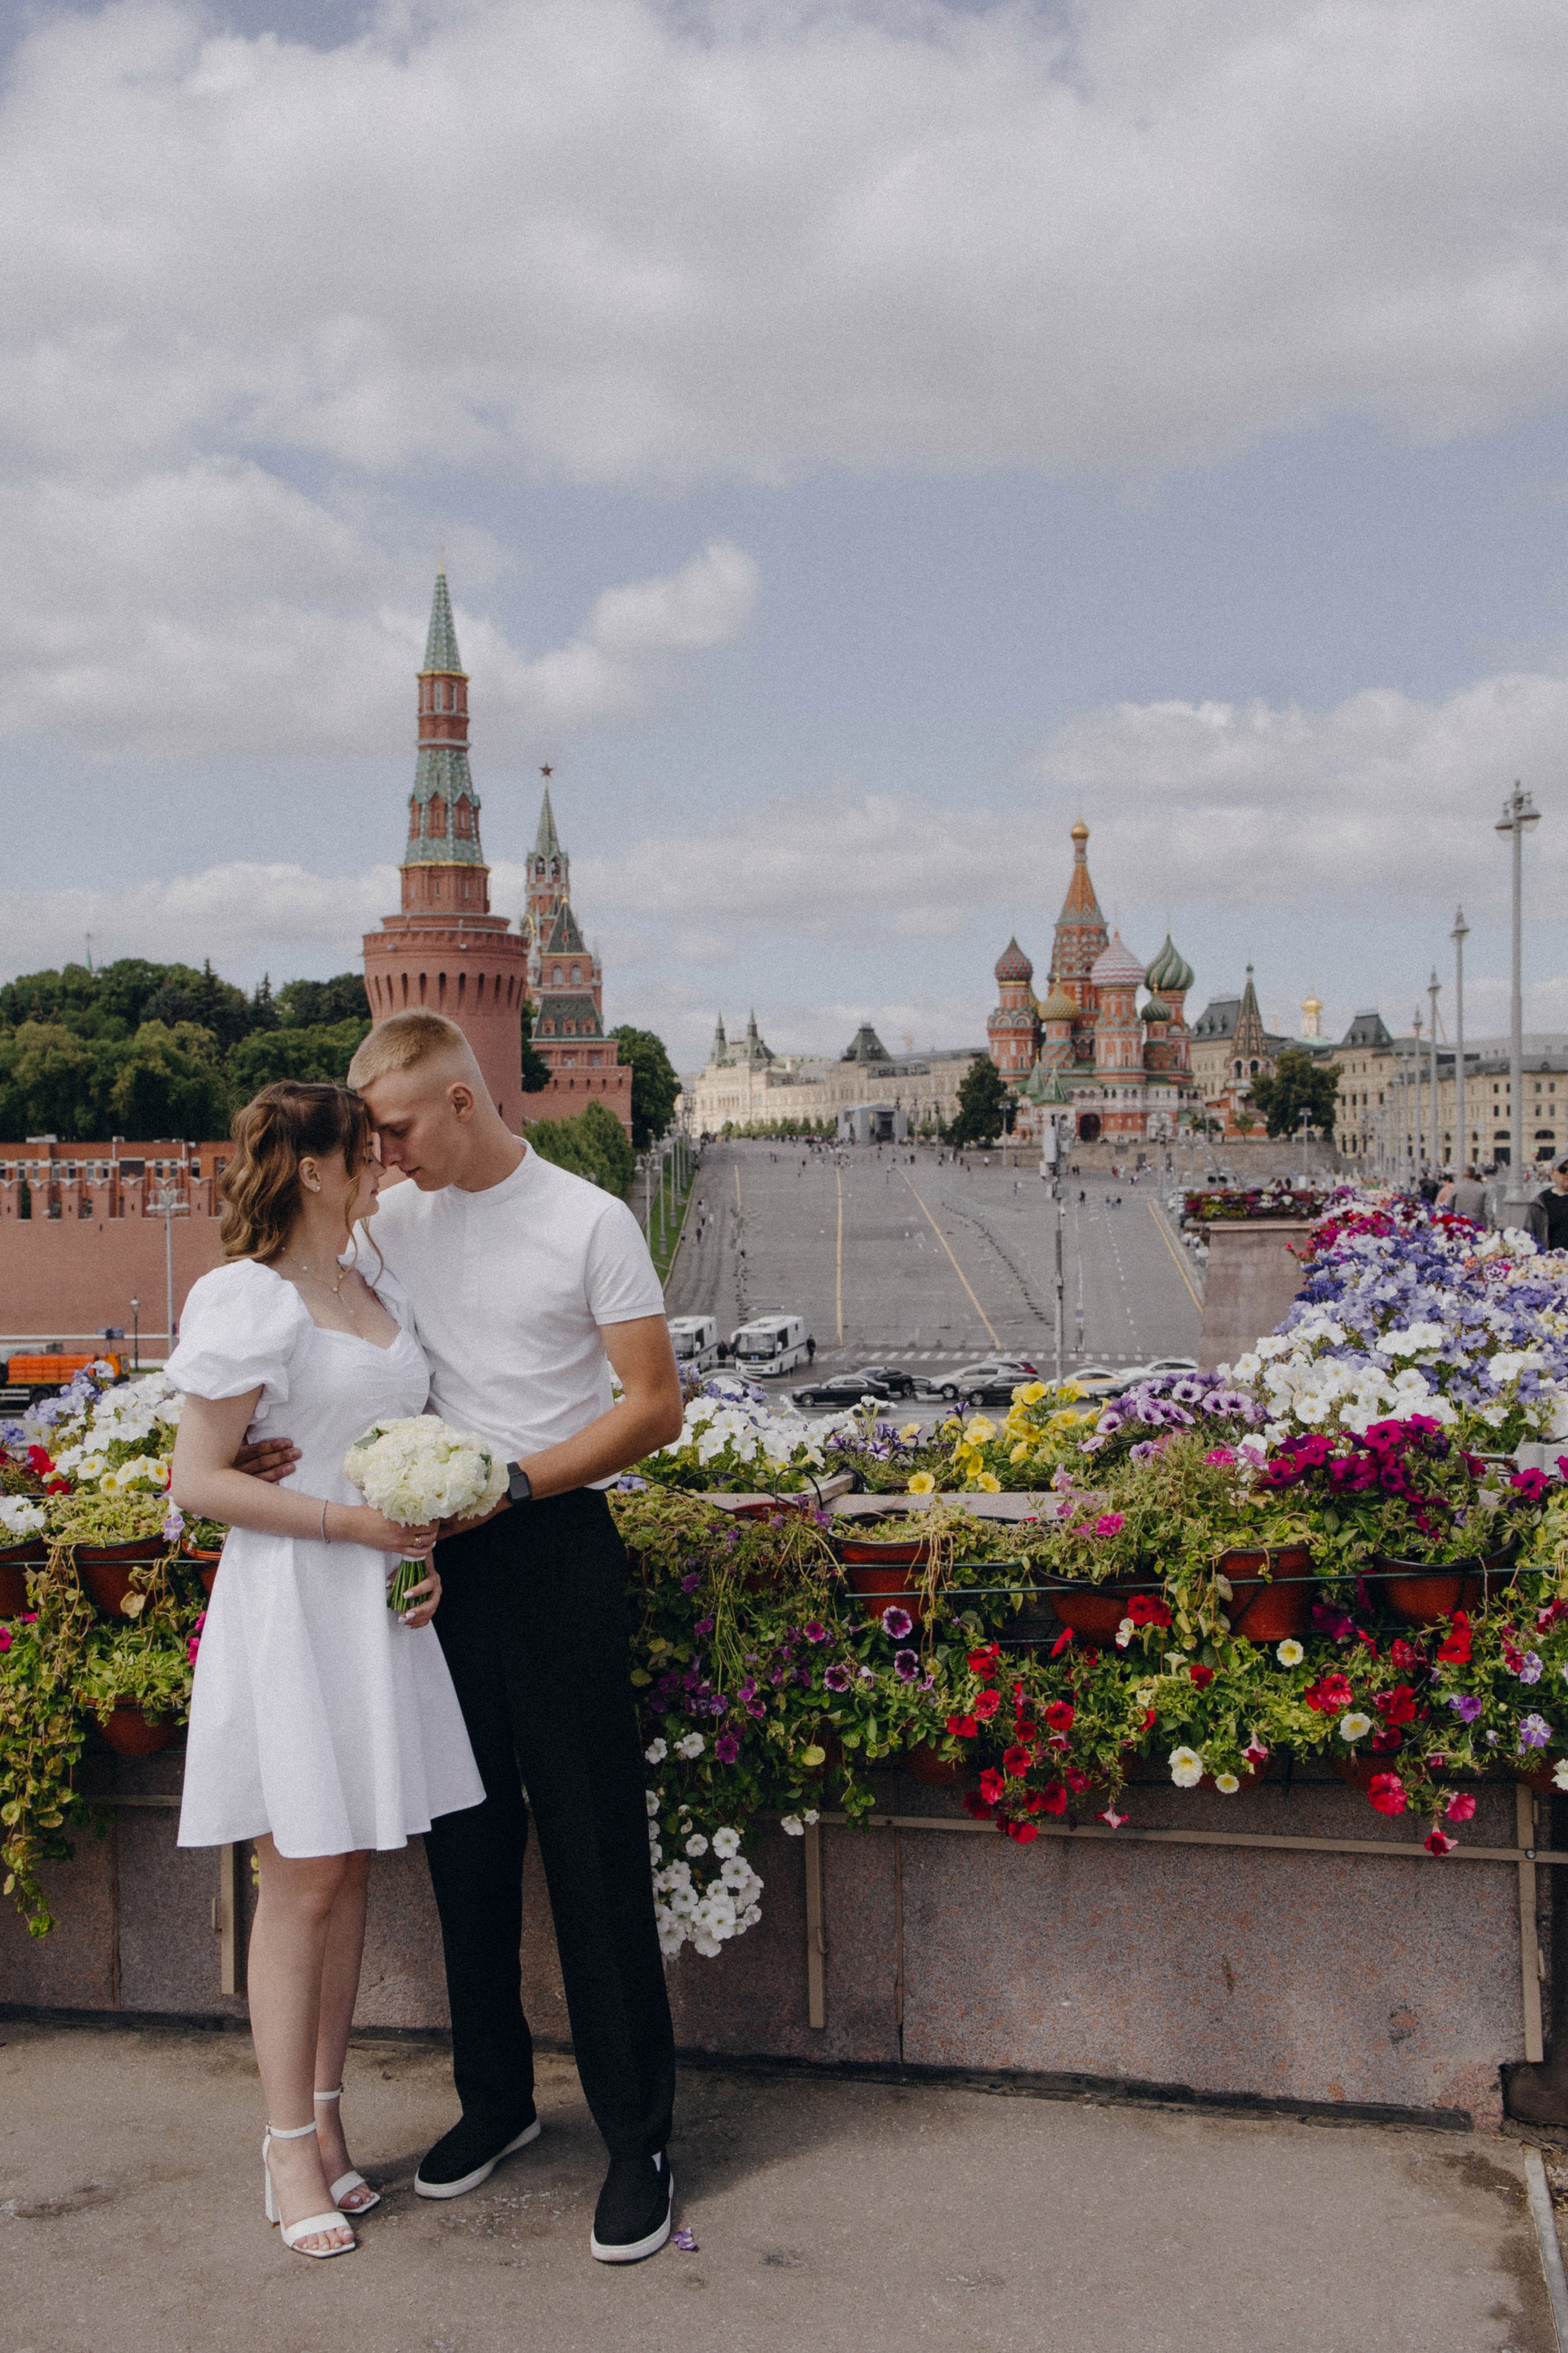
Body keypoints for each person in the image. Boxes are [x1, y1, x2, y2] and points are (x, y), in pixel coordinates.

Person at [250, 1013, 684, 2263]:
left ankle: (637, 2140)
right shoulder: (390, 1221)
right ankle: (493, 2103)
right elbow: (308, 1325)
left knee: (596, 1850)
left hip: (551, 1544)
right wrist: (273, 1440)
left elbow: (652, 1408)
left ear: (458, 1101)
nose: (375, 1156)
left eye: (391, 1129)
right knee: (465, 1848)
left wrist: (520, 1486)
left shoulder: (589, 1220)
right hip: (432, 1561)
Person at [167, 1082, 483, 2262]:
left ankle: (333, 2120)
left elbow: (392, 1443)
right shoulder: (248, 1296)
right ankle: (285, 2143)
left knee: (348, 1869)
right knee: (299, 1876)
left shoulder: (373, 1283)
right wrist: (351, 1528)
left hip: (383, 1607)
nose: (386, 1165)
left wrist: (425, 1541)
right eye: (367, 1151)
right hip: (299, 1599)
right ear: (313, 1168)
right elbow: (197, 1481)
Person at [1536, 1158, 1568, 1252]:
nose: (1567, 1173)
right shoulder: (1541, 1202)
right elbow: (1530, 1235)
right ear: (1552, 1174)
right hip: (1551, 1262)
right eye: (1563, 1170)